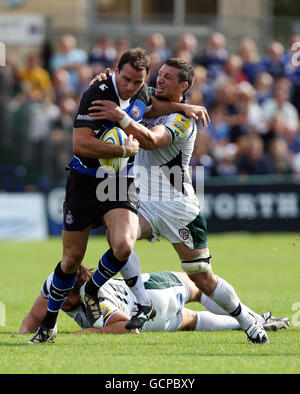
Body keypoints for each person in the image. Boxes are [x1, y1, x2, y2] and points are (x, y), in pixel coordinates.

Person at [29, 48, 210, 344]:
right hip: (86, 182)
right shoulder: (97, 93)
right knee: (71, 260)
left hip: (119, 182)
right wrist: (123, 150)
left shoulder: (141, 91)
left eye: (137, 82)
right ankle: (48, 324)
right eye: (125, 79)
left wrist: (182, 109)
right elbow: (80, 144)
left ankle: (98, 292)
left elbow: (153, 107)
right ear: (116, 71)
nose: (129, 87)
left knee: (124, 245)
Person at [88, 57, 270, 344]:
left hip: (177, 207)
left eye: (168, 77)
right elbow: (130, 97)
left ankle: (248, 320)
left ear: (183, 86)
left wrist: (122, 118)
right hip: (144, 201)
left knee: (202, 278)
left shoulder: (185, 119)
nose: (159, 80)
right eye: (160, 75)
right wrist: (102, 81)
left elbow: (151, 140)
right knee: (120, 241)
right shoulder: (151, 102)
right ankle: (142, 303)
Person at [19, 263, 290, 337]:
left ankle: (250, 322)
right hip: (152, 301)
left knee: (193, 298)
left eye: (68, 296)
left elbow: (126, 326)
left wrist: (82, 334)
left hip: (148, 301)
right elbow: (32, 319)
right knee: (197, 292)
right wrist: (23, 336)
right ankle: (254, 320)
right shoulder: (55, 285)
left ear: (79, 289)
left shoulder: (92, 298)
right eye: (60, 295)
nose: (63, 301)